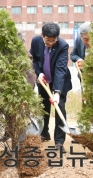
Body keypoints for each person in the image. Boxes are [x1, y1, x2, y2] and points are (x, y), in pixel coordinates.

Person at [30, 22, 72, 151]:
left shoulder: (63, 46)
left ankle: (59, 141)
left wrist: (57, 92)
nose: (51, 43)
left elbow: (60, 69)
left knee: (60, 108)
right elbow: (35, 59)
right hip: (43, 80)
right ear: (42, 36)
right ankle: (44, 133)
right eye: (48, 40)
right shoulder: (36, 41)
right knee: (44, 108)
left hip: (60, 81)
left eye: (54, 41)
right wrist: (39, 72)